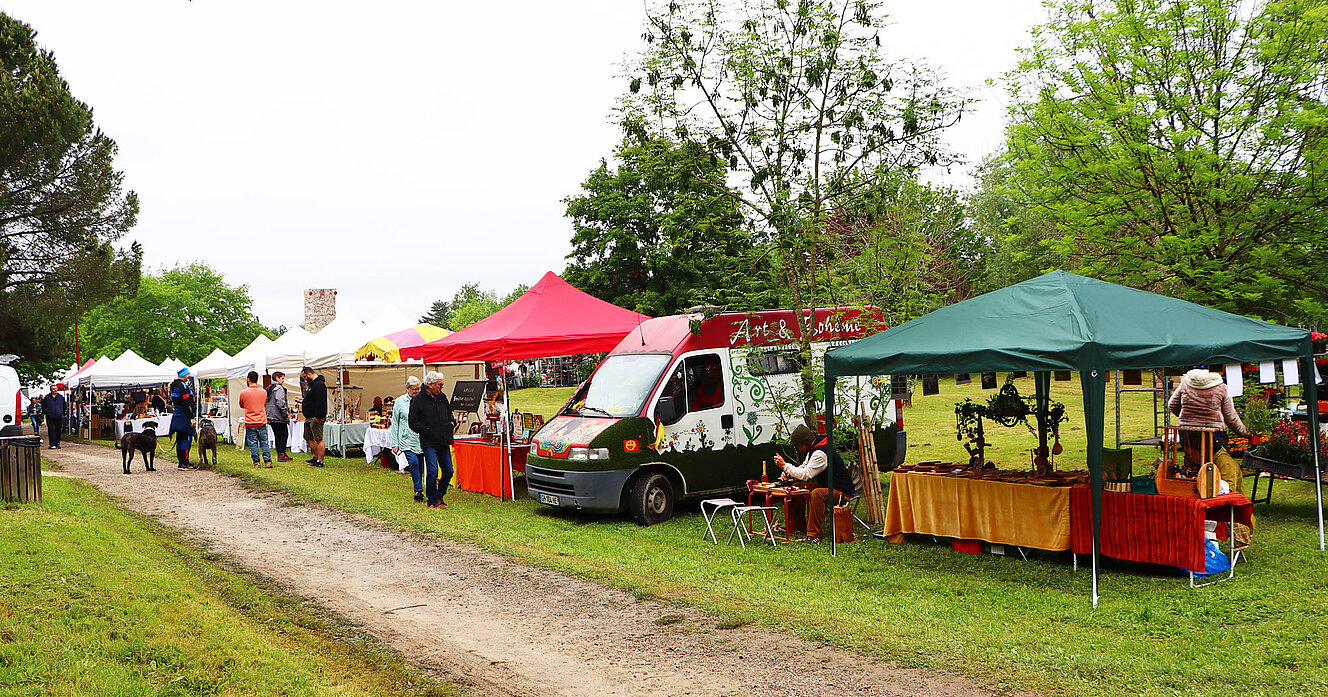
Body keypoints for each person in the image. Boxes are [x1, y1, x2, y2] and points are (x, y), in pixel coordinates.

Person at [1168, 368, 1250, 491]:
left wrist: (1186, 417)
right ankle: (1222, 489)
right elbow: (1231, 418)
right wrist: (1245, 432)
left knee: (1192, 462)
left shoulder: (1186, 383)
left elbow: (1172, 404)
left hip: (1187, 431)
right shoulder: (1222, 388)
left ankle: (1191, 487)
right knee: (1216, 460)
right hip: (1213, 433)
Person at [772, 424, 855, 542]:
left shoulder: (820, 453)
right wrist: (789, 473)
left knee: (817, 493)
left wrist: (785, 466)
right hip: (828, 487)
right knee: (796, 487)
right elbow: (804, 467)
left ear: (806, 442)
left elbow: (806, 475)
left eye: (800, 446)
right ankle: (798, 526)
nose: (800, 449)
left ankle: (814, 535)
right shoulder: (813, 448)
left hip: (842, 492)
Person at [408, 371, 455, 509]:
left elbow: (449, 413)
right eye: (440, 384)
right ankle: (432, 501)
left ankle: (440, 495)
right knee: (433, 471)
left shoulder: (442, 397)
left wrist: (452, 422)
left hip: (444, 440)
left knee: (449, 471)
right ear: (430, 385)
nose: (442, 386)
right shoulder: (418, 400)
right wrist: (427, 430)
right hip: (429, 442)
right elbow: (413, 422)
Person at [391, 376, 425, 502]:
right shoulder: (400, 401)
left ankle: (419, 486)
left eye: (418, 389)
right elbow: (395, 422)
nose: (416, 391)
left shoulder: (423, 400)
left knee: (420, 465)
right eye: (414, 389)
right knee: (413, 462)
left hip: (420, 438)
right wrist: (394, 443)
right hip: (406, 439)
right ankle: (418, 490)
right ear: (407, 389)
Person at [238, 371, 273, 468]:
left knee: (253, 442)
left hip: (250, 421)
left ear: (248, 379)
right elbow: (264, 403)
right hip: (261, 420)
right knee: (264, 442)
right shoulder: (263, 391)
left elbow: (241, 405)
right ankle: (268, 461)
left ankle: (256, 462)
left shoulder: (243, 392)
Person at [168, 367, 198, 469]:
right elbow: (186, 403)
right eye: (187, 374)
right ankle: (185, 462)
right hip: (184, 415)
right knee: (186, 439)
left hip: (177, 414)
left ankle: (181, 462)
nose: (189, 375)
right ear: (184, 374)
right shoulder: (183, 386)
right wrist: (191, 417)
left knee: (180, 439)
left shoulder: (174, 386)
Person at [301, 366, 328, 467]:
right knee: (308, 437)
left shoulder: (319, 385)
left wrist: (319, 415)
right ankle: (316, 457)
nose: (305, 379)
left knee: (318, 438)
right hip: (309, 416)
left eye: (305, 377)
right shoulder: (312, 385)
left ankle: (320, 460)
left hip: (316, 416)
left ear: (309, 374)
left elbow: (321, 401)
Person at [266, 371, 293, 462]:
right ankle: (282, 454)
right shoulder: (279, 388)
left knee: (277, 435)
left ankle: (280, 453)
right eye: (282, 378)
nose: (283, 380)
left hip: (271, 415)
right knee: (283, 434)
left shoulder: (269, 388)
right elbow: (280, 402)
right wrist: (285, 413)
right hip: (278, 416)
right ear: (277, 378)